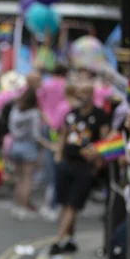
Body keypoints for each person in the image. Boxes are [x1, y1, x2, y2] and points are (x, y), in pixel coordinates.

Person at [50, 83, 110, 255]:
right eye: (78, 92)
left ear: (92, 94)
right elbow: (64, 135)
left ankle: (58, 240)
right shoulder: (71, 114)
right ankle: (70, 239)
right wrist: (58, 156)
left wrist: (96, 156)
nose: (80, 96)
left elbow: (105, 141)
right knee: (66, 203)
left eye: (84, 92)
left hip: (85, 167)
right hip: (67, 163)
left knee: (73, 204)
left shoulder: (100, 116)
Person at [39, 83, 78, 221]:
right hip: (73, 146)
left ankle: (53, 206)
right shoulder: (77, 107)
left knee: (54, 175)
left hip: (59, 143)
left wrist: (44, 117)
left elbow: (55, 125)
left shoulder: (63, 106)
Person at [8, 87, 45, 220]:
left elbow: (11, 128)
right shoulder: (34, 113)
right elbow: (36, 134)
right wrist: (46, 144)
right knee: (27, 179)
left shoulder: (15, 110)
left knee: (18, 178)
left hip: (16, 145)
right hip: (28, 147)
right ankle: (23, 207)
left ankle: (17, 206)